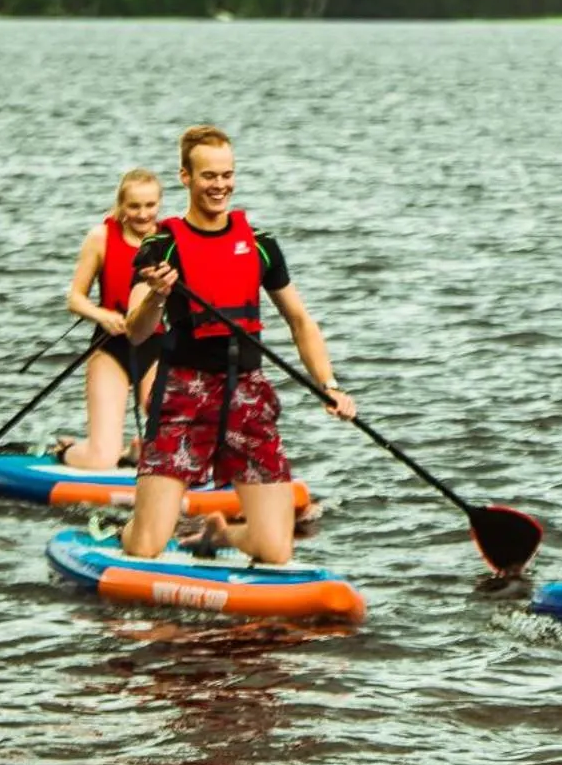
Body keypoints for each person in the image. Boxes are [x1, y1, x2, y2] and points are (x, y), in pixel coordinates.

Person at [120, 125, 355, 565]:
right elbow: (135, 329)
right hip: (183, 397)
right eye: (209, 175)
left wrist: (329, 383)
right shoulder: (161, 246)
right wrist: (156, 294)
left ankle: (221, 534)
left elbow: (300, 320)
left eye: (227, 174)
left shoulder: (261, 245)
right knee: (148, 546)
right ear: (186, 178)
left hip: (248, 393)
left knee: (276, 550)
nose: (220, 185)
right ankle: (125, 529)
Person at [55, 168, 163, 470]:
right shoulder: (101, 237)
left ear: (159, 204)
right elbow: (75, 298)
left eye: (150, 205)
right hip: (110, 347)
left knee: (167, 442)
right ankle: (67, 450)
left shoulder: (170, 238)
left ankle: (134, 454)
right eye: (135, 206)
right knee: (101, 460)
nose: (143, 214)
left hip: (158, 349)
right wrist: (101, 315)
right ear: (122, 206)